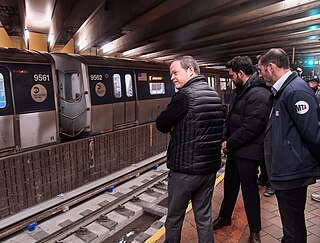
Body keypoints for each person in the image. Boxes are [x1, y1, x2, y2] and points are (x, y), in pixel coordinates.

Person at [156, 56, 223, 243]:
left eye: (175, 72)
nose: (172, 77)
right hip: (209, 170)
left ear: (191, 71)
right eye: (171, 74)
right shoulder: (214, 94)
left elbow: (162, 123)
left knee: (174, 219)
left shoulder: (184, 96)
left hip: (185, 171)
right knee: (204, 218)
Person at [258, 48, 320, 243]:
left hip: (292, 171)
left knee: (293, 228)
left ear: (271, 67)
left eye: (261, 70)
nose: (260, 75)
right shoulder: (283, 91)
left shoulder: (296, 91)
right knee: (291, 224)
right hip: (286, 170)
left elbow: (313, 135)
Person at [212, 56, 270, 243]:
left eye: (231, 75)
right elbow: (231, 118)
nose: (231, 79)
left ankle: (255, 231)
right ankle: (225, 217)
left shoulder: (259, 94)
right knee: (230, 187)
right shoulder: (242, 90)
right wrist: (224, 137)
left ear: (241, 73)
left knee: (249, 192)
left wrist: (229, 143)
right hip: (236, 151)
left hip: (248, 153)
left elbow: (252, 126)